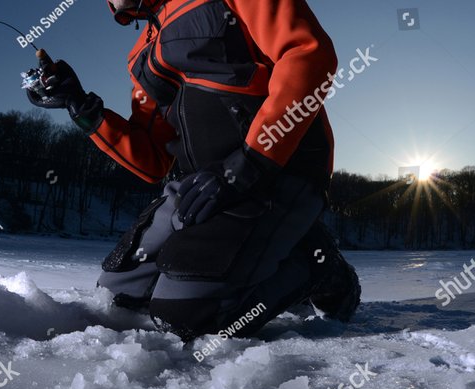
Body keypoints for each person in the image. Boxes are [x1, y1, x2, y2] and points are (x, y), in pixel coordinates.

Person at [25, 0, 361, 341]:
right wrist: (81, 108)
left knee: (188, 318)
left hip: (275, 173)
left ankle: (313, 264)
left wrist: (252, 159)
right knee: (118, 302)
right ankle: (269, 253)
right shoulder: (142, 53)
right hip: (200, 188)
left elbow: (309, 54)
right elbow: (154, 159)